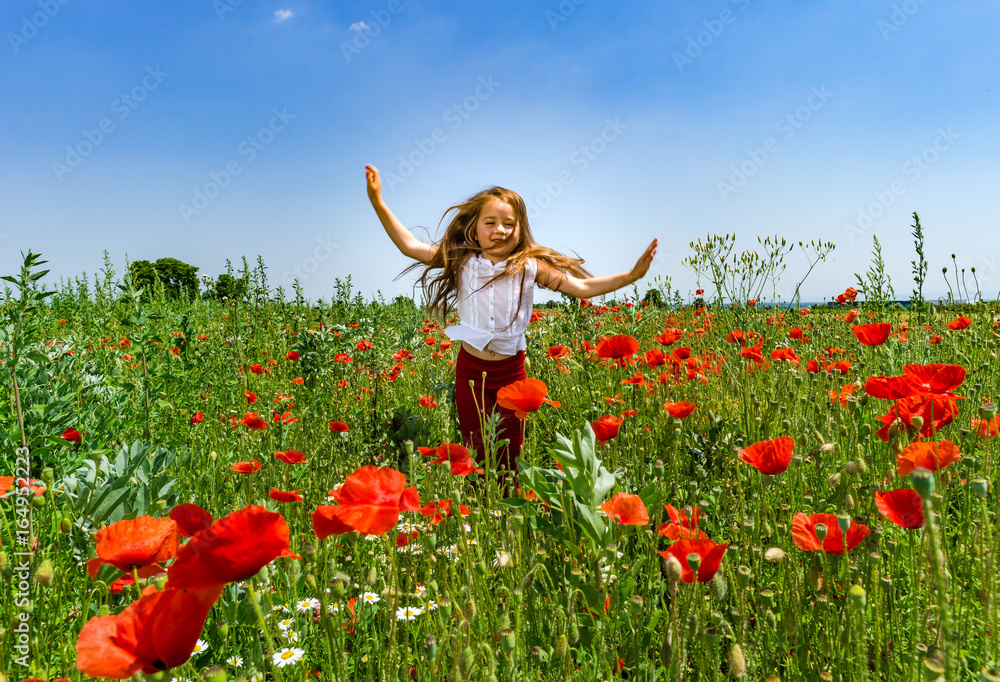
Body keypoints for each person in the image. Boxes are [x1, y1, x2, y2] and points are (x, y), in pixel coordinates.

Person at [366, 164, 657, 481]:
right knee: (475, 449)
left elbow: (582, 288)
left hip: (511, 372)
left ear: (521, 229)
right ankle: (480, 510)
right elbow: (409, 246)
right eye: (490, 222)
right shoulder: (463, 262)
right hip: (470, 372)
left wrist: (632, 276)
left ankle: (506, 513)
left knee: (510, 452)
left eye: (509, 223)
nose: (500, 230)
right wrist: (378, 201)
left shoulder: (530, 267)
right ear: (475, 229)